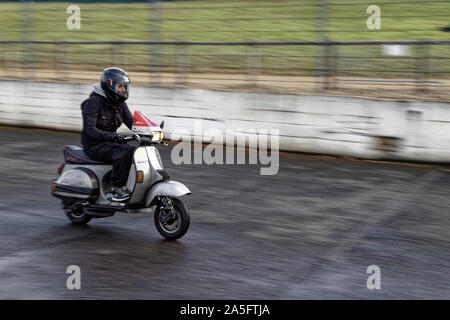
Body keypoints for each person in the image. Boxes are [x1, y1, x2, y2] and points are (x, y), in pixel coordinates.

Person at [80, 67, 135, 202]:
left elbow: (133, 123)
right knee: (123, 151)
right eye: (120, 86)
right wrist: (112, 137)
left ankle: (128, 186)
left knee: (135, 152)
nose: (123, 90)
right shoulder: (93, 103)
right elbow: (90, 130)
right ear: (110, 85)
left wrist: (151, 130)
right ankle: (115, 189)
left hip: (110, 143)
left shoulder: (119, 103)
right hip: (94, 146)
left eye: (125, 87)